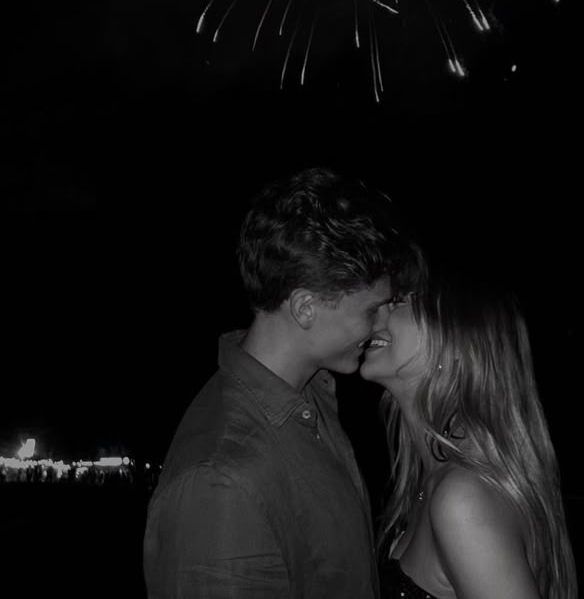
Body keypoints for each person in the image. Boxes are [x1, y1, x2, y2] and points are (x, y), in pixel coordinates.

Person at [143, 167, 425, 598]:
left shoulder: (310, 396)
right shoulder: (221, 482)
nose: (385, 323)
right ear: (306, 308)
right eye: (373, 309)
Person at [360, 267, 578, 599]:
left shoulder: (462, 498)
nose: (376, 315)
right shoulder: (432, 481)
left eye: (400, 302)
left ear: (458, 343)